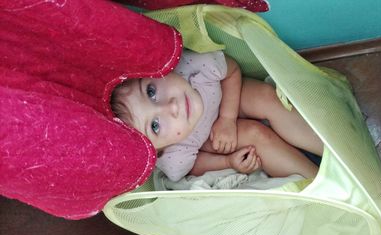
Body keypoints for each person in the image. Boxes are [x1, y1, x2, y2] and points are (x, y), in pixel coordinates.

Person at [111, 50, 323, 182]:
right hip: (213, 137)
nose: (172, 107)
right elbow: (194, 166)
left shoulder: (188, 66)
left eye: (151, 91)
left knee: (266, 97)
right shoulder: (172, 156)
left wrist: (227, 118)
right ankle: (322, 183)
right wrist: (228, 162)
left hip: (229, 98)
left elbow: (231, 71)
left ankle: (331, 146)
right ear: (157, 150)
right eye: (155, 126)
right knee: (256, 136)